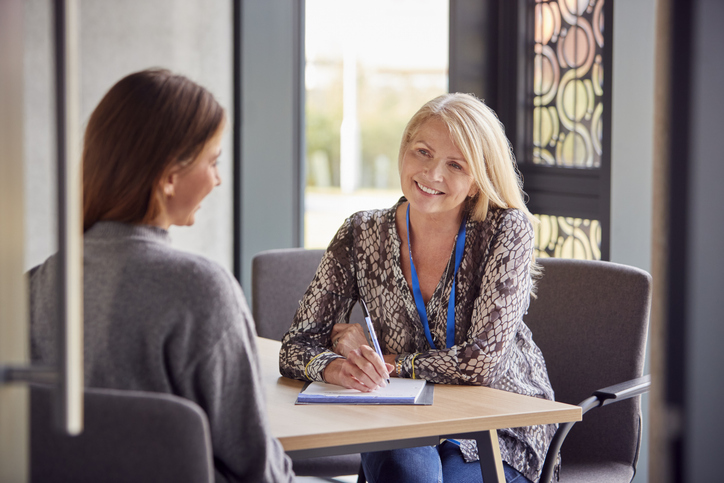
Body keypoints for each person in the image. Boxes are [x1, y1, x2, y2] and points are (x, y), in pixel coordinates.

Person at [30, 69, 294, 483]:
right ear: (170, 176)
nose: (217, 178)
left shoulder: (34, 288)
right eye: (213, 161)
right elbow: (257, 469)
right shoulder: (199, 291)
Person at [279, 93, 556, 483]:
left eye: (455, 164)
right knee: (404, 470)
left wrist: (387, 360)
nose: (432, 174)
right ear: (404, 150)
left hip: (493, 424)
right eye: (422, 152)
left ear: (477, 181)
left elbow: (479, 363)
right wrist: (338, 366)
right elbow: (295, 345)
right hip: (400, 413)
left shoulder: (505, 230)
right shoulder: (361, 232)